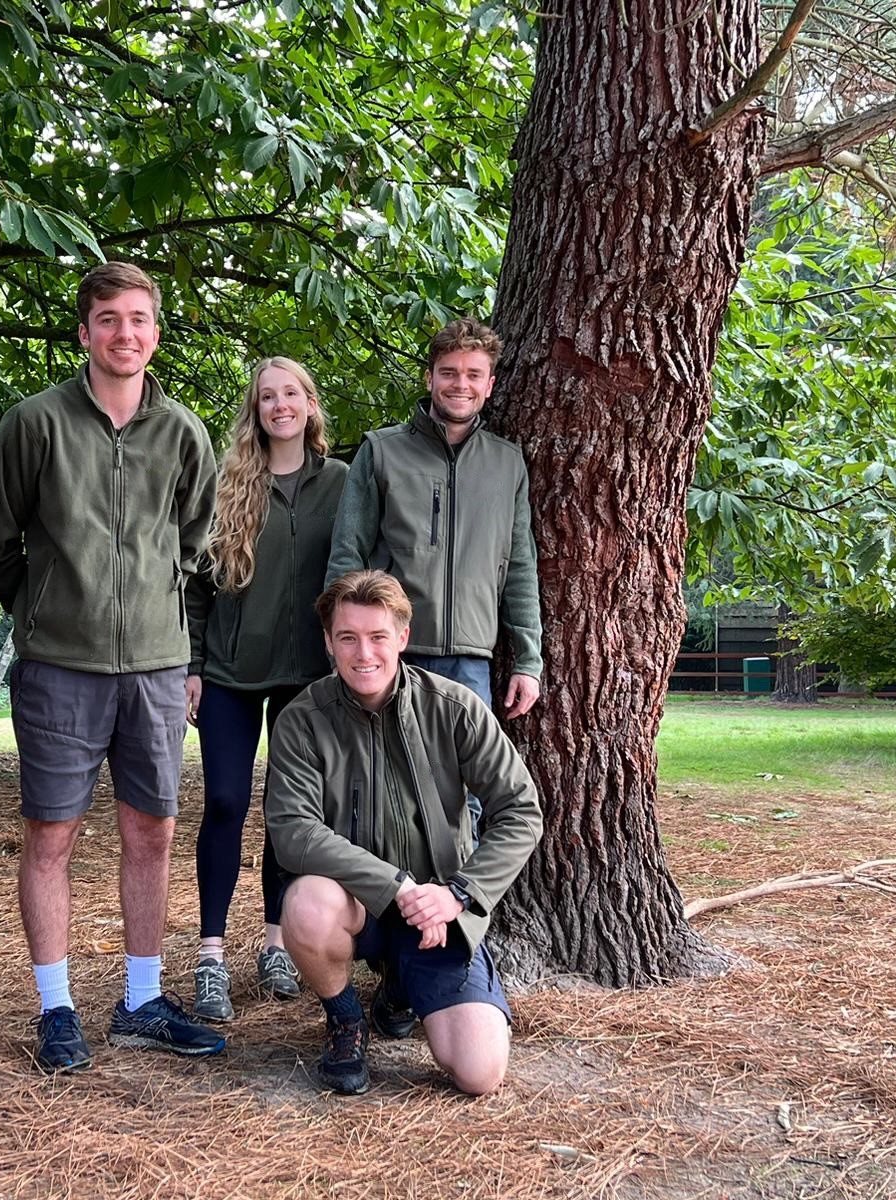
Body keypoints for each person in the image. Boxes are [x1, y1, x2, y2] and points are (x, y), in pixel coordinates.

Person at [0, 262, 225, 1072]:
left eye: (140, 319)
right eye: (109, 319)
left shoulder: (183, 433)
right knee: (51, 835)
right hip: (59, 667)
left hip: (155, 670)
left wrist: (173, 637)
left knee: (151, 832)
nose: (126, 333)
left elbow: (193, 548)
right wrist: (45, 609)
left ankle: (143, 999)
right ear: (84, 331)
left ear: (156, 332)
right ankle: (56, 1010)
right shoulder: (34, 422)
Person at [264, 570, 542, 1096]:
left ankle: (399, 991)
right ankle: (346, 1020)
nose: (362, 653)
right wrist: (395, 887)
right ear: (328, 642)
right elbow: (293, 832)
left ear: (403, 639)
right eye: (347, 638)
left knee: (480, 1073)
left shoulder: (455, 708)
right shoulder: (302, 720)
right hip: (356, 903)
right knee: (304, 903)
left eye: (377, 637)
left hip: (438, 910)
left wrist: (460, 895)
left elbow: (521, 810)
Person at [325, 317, 543, 834]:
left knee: (464, 792)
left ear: (490, 385)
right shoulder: (382, 450)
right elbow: (346, 554)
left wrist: (529, 658)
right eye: (449, 372)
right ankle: (387, 905)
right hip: (389, 651)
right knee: (382, 783)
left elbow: (519, 567)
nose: (460, 385)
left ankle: (450, 908)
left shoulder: (507, 463)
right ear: (429, 378)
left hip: (471, 659)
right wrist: (338, 644)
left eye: (473, 375)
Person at [183, 357, 349, 1022]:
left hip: (307, 676)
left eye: (291, 394)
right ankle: (212, 955)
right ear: (255, 410)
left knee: (287, 813)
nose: (279, 405)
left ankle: (277, 943)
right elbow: (195, 585)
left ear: (310, 405)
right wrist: (191, 665)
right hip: (227, 670)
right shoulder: (228, 483)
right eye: (267, 396)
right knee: (224, 800)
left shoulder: (342, 483)